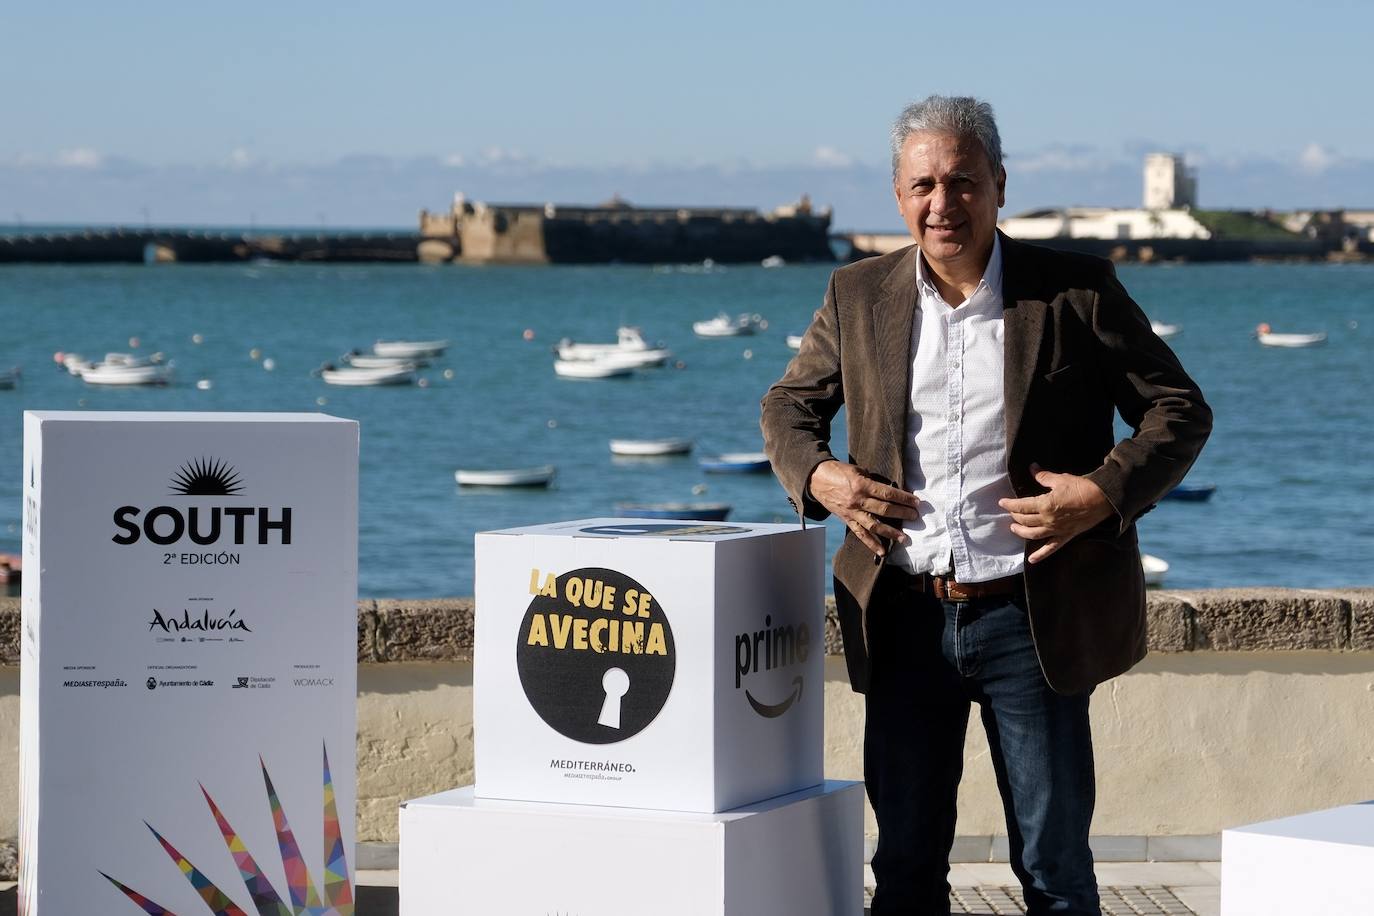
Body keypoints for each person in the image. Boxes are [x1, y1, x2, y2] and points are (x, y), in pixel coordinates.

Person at [760, 95, 1212, 916]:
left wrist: (1102, 494)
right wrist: (820, 477)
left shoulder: (1076, 291)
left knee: (1054, 876)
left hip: (1031, 622)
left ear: (1000, 185)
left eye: (963, 181)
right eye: (924, 184)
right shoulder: (857, 294)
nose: (944, 204)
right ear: (898, 196)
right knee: (902, 872)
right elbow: (788, 407)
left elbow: (1178, 408)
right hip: (900, 617)